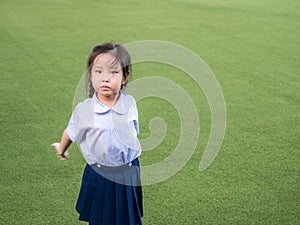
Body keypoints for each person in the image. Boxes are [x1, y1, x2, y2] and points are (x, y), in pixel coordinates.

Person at [51, 42, 143, 225]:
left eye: (113, 72)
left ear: (125, 77)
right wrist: (61, 148)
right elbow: (70, 133)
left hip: (128, 171)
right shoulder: (84, 110)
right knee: (100, 219)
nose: (105, 78)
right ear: (91, 76)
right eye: (98, 71)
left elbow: (133, 134)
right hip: (99, 173)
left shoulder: (130, 103)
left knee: (127, 219)